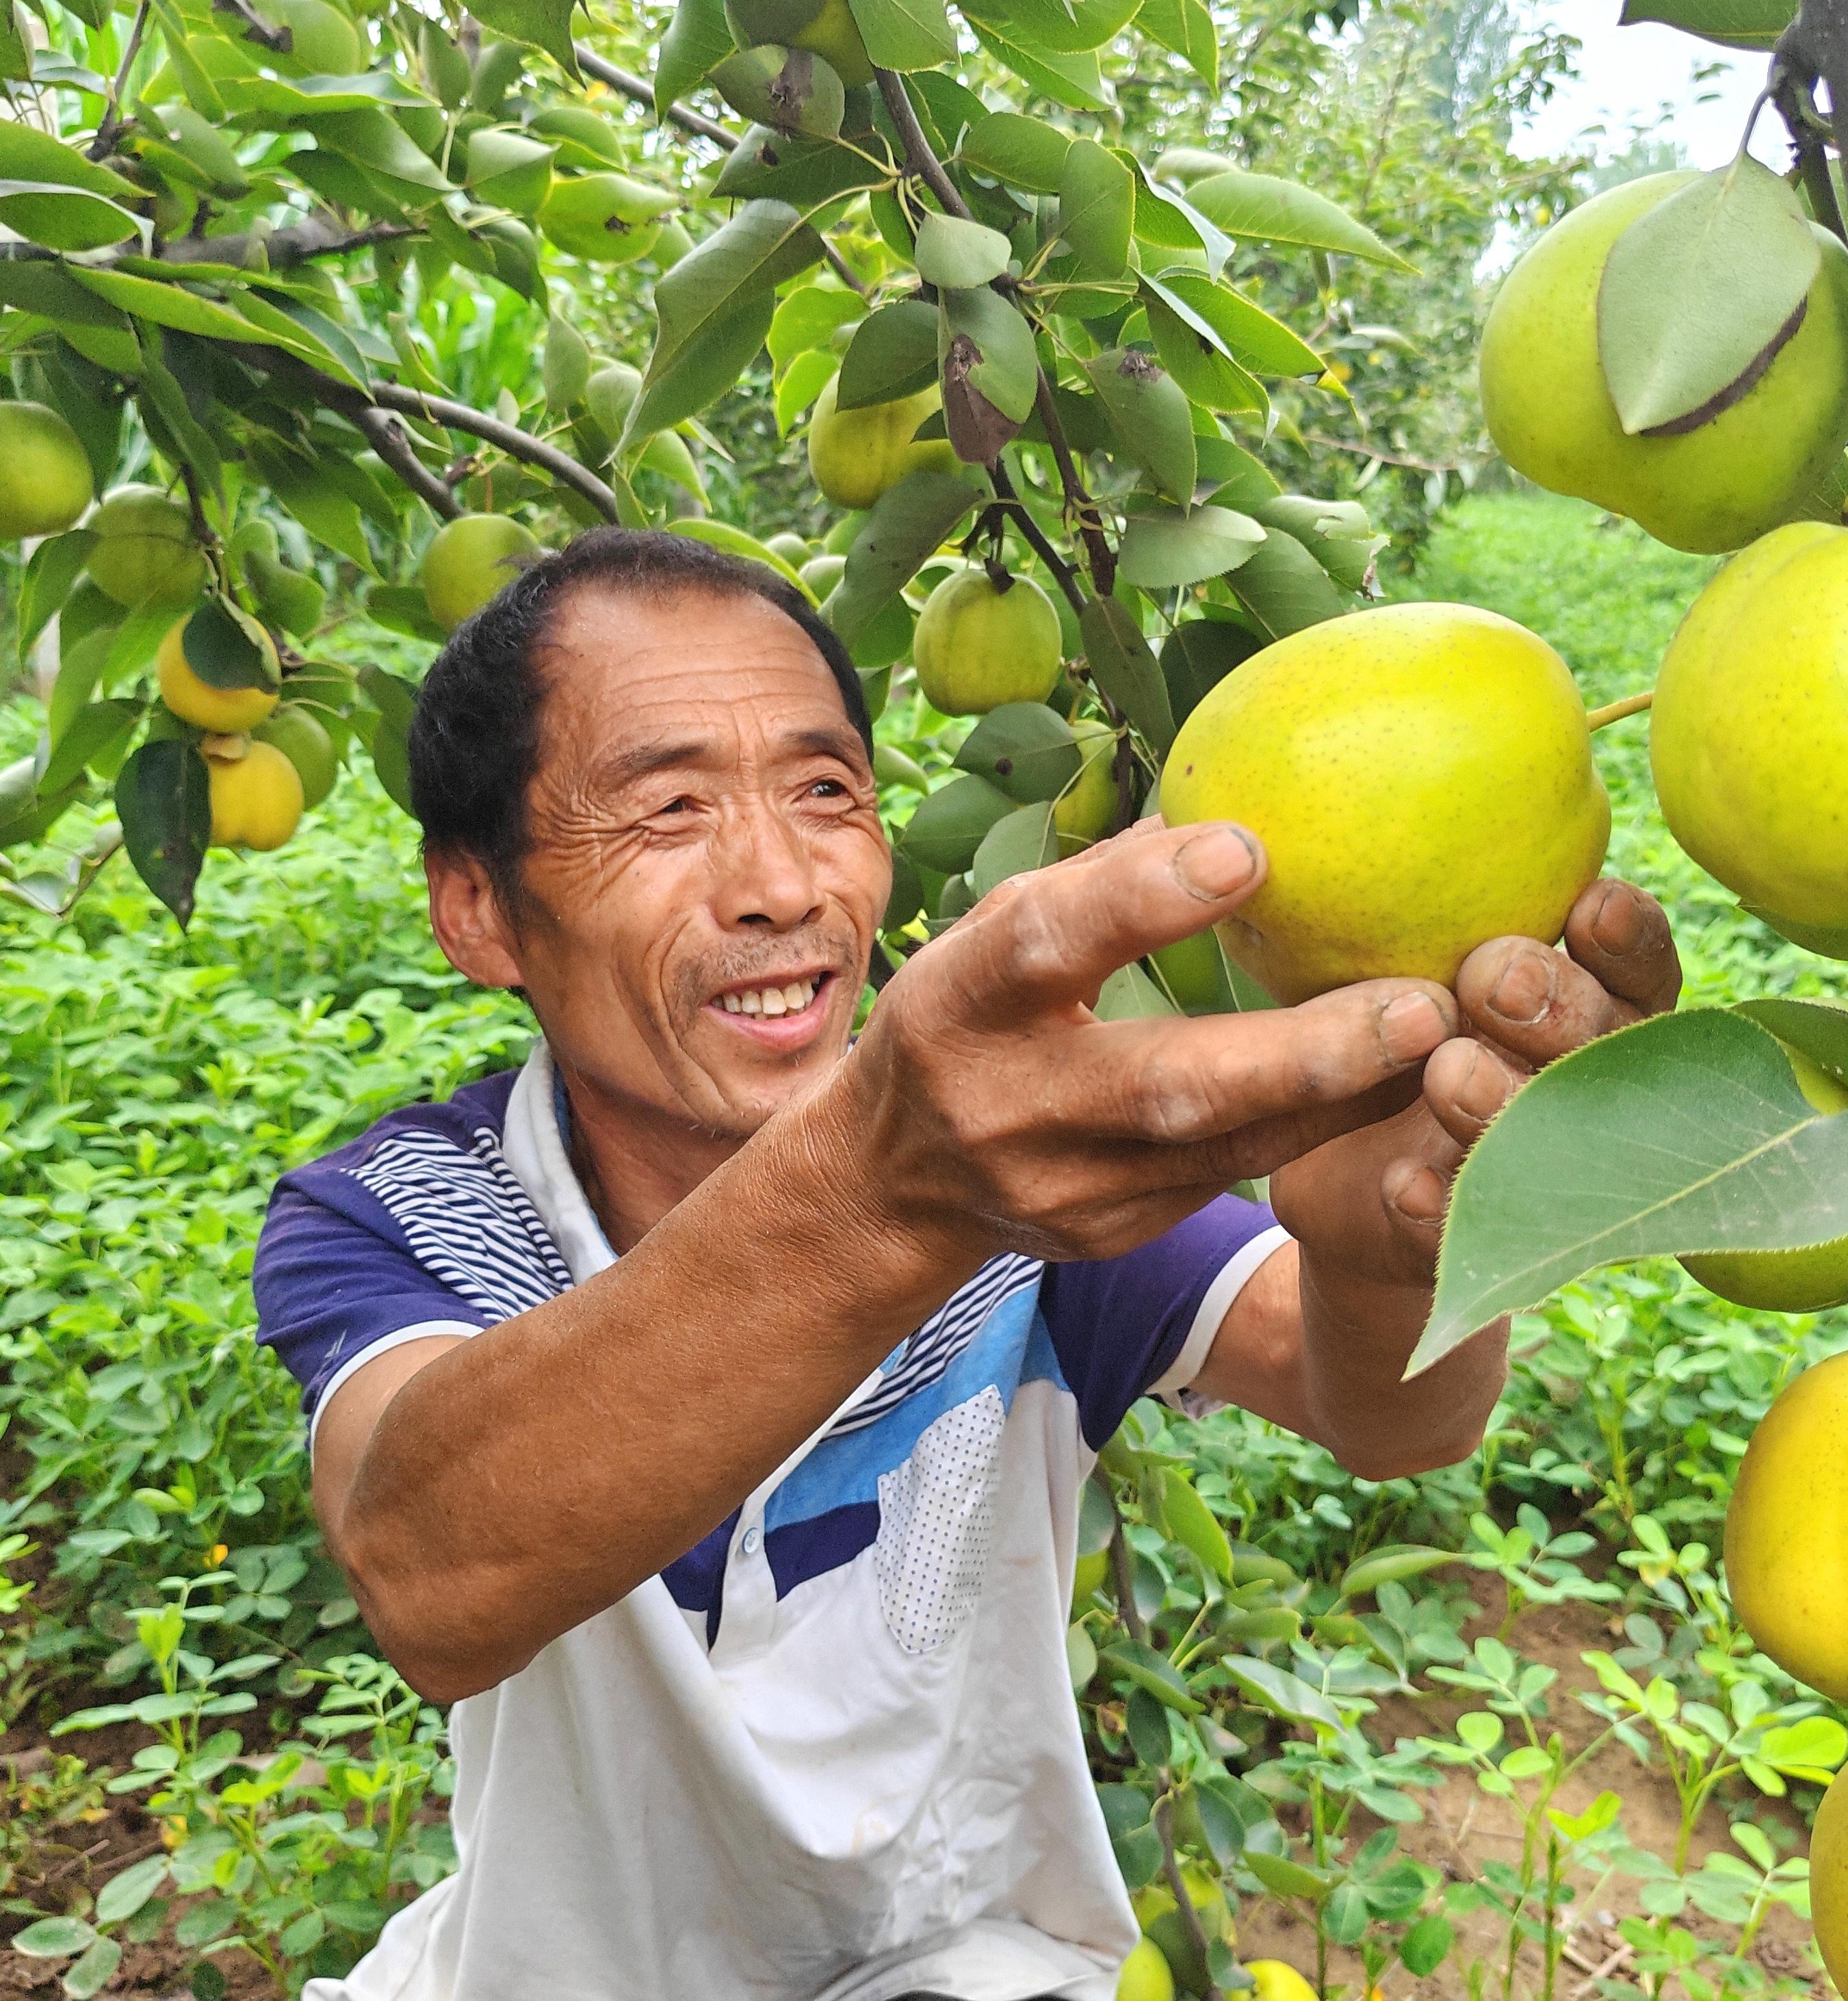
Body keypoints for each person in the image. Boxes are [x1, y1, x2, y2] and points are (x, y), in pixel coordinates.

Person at [252, 529, 1680, 2001]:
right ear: (477, 906)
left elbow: (1392, 1417)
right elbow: (431, 1564)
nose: (780, 883)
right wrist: (887, 1191)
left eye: (823, 792)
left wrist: (1382, 1252)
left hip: (970, 1964)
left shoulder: (1022, 1171)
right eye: (668, 809)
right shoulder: (420, 1209)